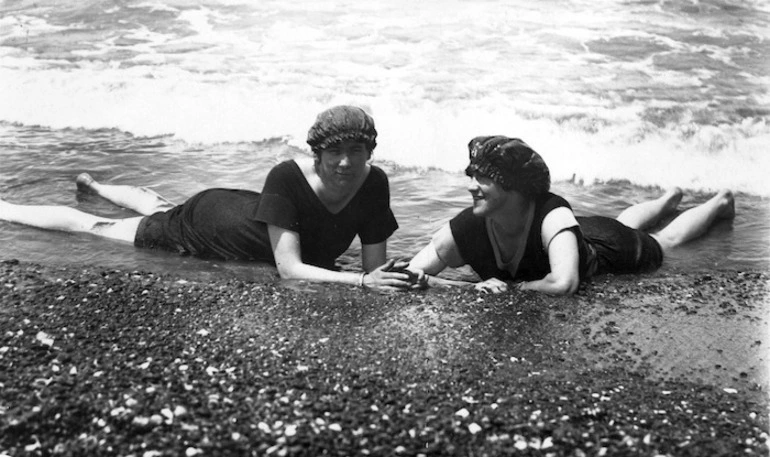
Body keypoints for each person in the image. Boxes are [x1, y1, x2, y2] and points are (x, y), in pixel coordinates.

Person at [0, 106, 416, 290]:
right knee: (99, 227)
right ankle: (5, 208)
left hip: (238, 207)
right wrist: (363, 283)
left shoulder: (374, 181)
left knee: (160, 205)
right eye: (334, 153)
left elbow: (374, 269)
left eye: (356, 153)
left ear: (370, 153)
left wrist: (386, 278)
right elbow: (290, 270)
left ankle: (94, 187)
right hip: (211, 227)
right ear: (317, 153)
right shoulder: (287, 176)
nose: (345, 164)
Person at [407, 135, 736, 296]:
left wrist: (511, 289)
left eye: (484, 180)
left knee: (663, 241)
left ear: (515, 188)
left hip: (610, 249)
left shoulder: (552, 213)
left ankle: (719, 202)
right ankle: (669, 197)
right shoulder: (468, 225)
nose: (472, 188)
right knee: (623, 223)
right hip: (578, 235)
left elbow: (564, 283)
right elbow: (412, 275)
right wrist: (467, 289)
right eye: (471, 177)